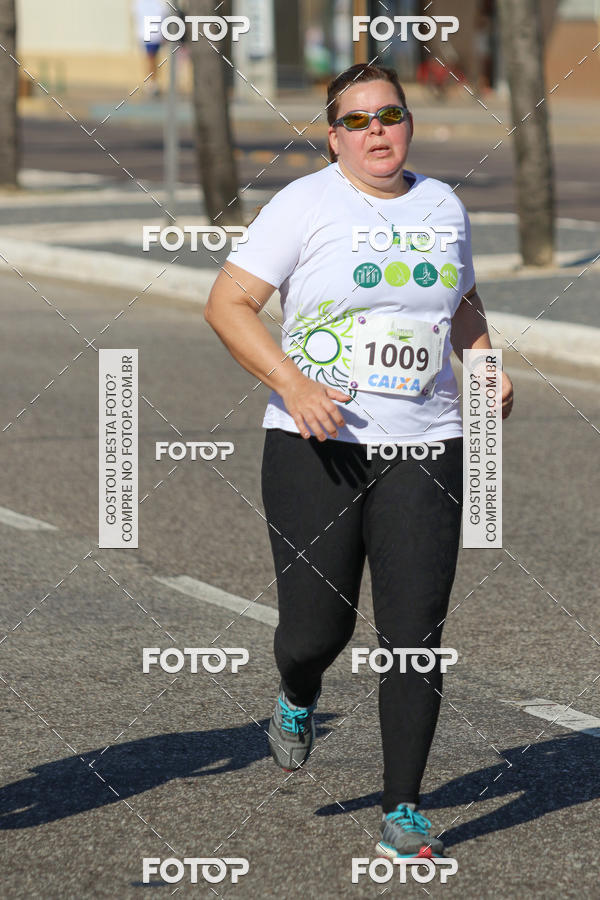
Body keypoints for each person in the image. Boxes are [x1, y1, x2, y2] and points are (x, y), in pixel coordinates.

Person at [205, 63, 513, 860]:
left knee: (414, 630)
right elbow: (227, 304)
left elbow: (461, 303)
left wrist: (484, 365)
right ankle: (298, 691)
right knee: (317, 627)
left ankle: (403, 809)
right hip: (316, 445)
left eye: (391, 115)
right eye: (358, 121)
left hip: (426, 443)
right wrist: (292, 383)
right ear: (334, 136)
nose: (378, 131)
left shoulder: (443, 204)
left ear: (407, 123)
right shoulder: (305, 204)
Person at [132, 0, 170, 96]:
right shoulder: (140, 3)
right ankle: (152, 83)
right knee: (151, 58)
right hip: (148, 34)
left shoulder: (157, 3)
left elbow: (163, 15)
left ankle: (153, 83)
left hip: (155, 34)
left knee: (153, 59)